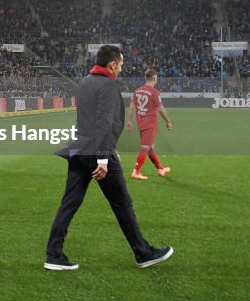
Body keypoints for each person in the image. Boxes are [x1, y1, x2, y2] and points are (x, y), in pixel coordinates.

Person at [45, 45, 174, 271]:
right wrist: (104, 158)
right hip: (97, 153)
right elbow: (104, 123)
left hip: (79, 150)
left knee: (69, 203)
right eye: (121, 65)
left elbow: (87, 120)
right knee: (122, 204)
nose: (121, 70)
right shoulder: (108, 86)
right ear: (112, 64)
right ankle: (143, 253)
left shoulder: (84, 82)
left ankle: (53, 255)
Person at [126, 68, 172, 180]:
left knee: (150, 148)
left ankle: (161, 168)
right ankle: (136, 171)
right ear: (155, 78)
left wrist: (130, 121)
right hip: (150, 124)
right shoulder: (155, 93)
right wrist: (167, 121)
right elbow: (161, 109)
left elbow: (131, 107)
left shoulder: (137, 91)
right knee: (145, 148)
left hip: (140, 123)